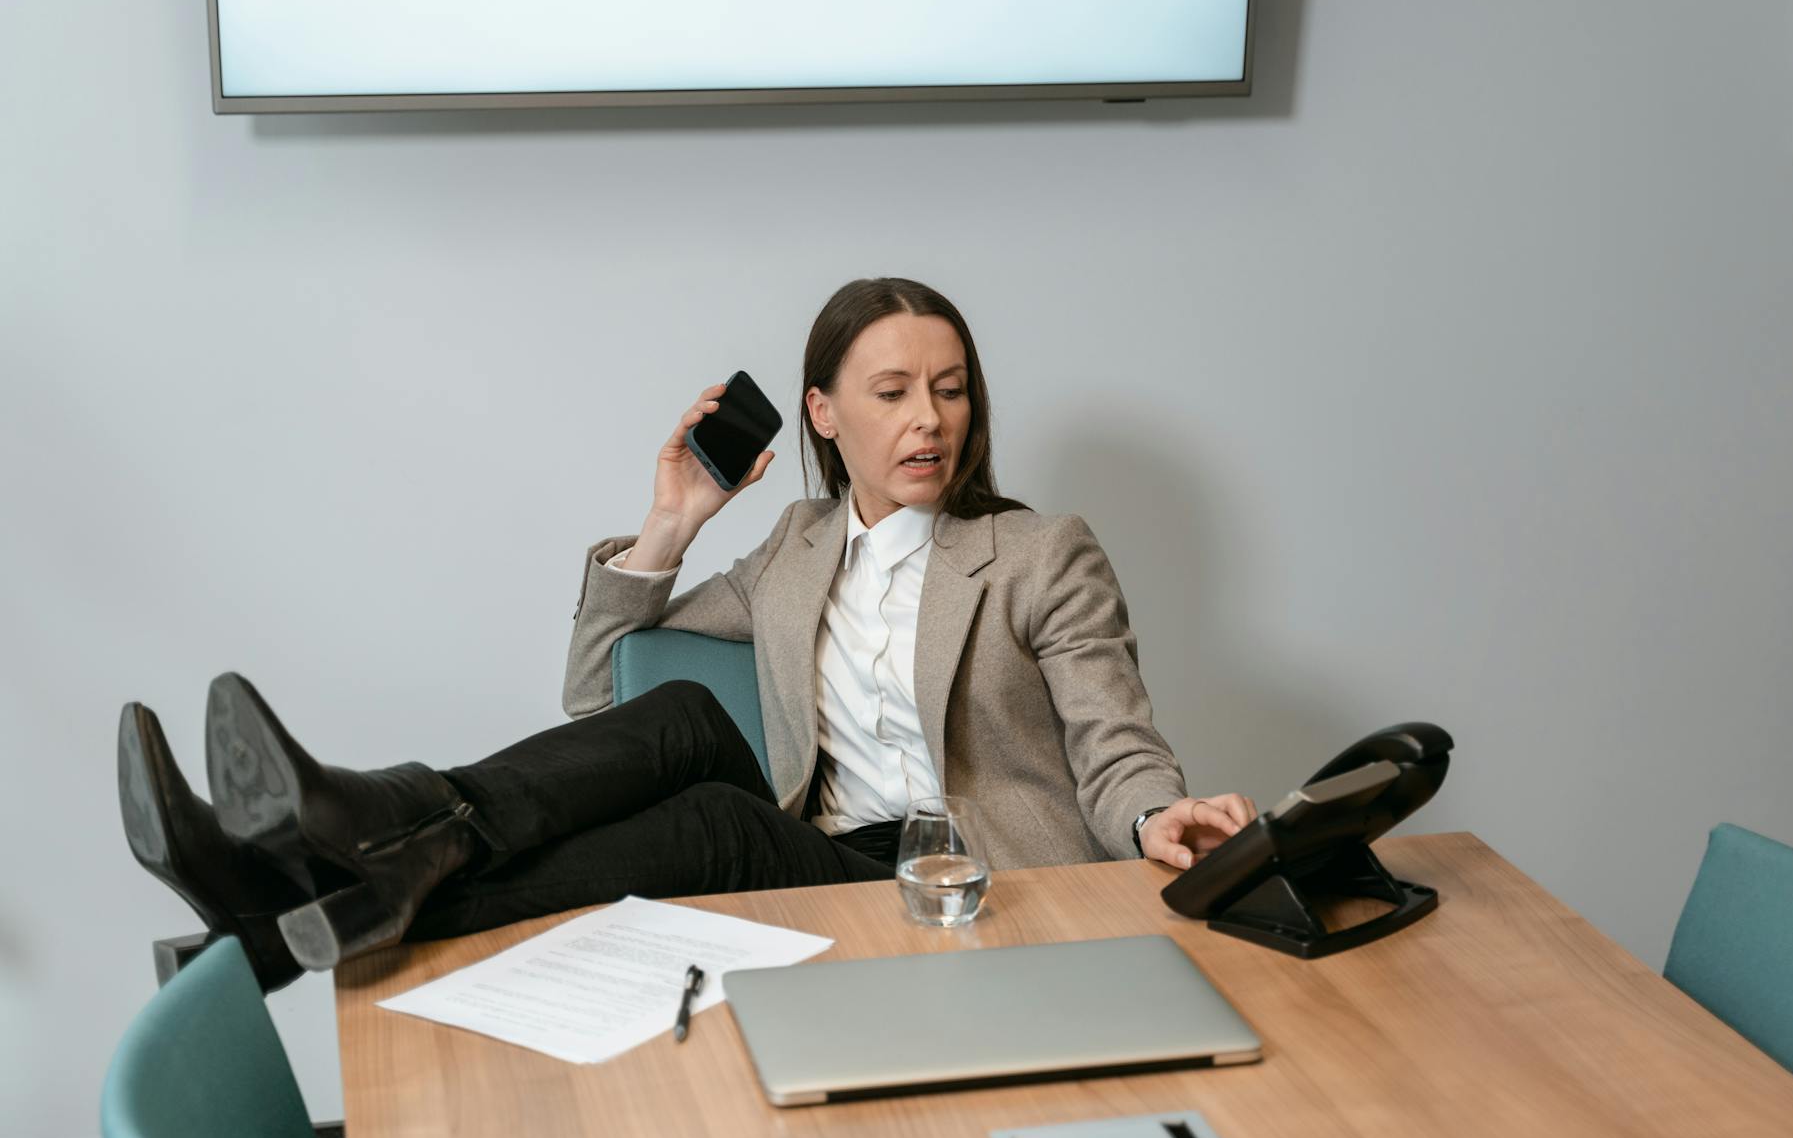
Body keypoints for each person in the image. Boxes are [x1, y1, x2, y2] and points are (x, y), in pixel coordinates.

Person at [117, 277, 1256, 991]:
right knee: (680, 718)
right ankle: (337, 867)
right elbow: (599, 698)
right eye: (896, 390)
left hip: (968, 890)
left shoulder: (1040, 552)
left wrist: (1160, 814)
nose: (928, 419)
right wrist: (674, 518)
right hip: (839, 858)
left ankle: (308, 871)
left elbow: (1116, 744)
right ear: (822, 412)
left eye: (950, 390)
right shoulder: (798, 550)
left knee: (715, 816)